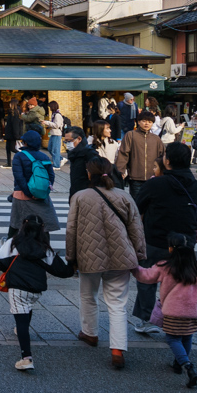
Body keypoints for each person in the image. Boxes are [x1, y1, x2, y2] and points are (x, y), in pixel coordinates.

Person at [66, 156, 146, 369]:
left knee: (88, 295)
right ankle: (118, 349)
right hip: (121, 256)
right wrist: (138, 253)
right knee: (117, 304)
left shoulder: (80, 197)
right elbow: (136, 227)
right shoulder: (124, 196)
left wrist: (71, 257)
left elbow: (71, 229)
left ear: (89, 173)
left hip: (89, 255)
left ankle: (90, 333)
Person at [131, 142, 197, 336]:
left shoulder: (156, 183)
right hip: (185, 243)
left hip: (156, 239)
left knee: (148, 279)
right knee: (181, 278)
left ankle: (147, 319)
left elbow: (137, 207)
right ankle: (179, 317)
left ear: (167, 160)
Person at [0, 213, 74, 371]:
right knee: (26, 309)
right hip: (35, 291)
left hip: (17, 288)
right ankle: (20, 330)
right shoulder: (44, 248)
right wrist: (73, 261)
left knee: (21, 319)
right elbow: (63, 271)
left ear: (23, 226)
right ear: (42, 230)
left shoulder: (13, 243)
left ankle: (26, 358)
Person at [133, 232, 197, 387]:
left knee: (173, 338)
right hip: (192, 312)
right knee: (186, 337)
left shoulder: (165, 266)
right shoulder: (194, 267)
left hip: (174, 311)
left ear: (171, 249)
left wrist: (133, 267)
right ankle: (178, 364)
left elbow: (145, 276)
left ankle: (187, 366)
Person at [11, 129, 58, 236]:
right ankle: (45, 248)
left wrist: (29, 193)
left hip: (22, 196)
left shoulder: (19, 156)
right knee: (43, 226)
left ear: (26, 143)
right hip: (41, 196)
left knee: (17, 225)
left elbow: (19, 177)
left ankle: (10, 247)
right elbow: (51, 176)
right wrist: (42, 192)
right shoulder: (44, 156)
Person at [113, 109, 164, 198]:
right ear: (138, 122)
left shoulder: (156, 139)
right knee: (137, 203)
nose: (146, 124)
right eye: (144, 121)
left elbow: (162, 156)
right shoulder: (131, 135)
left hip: (153, 177)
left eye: (149, 122)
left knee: (151, 203)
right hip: (135, 177)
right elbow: (123, 153)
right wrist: (120, 170)